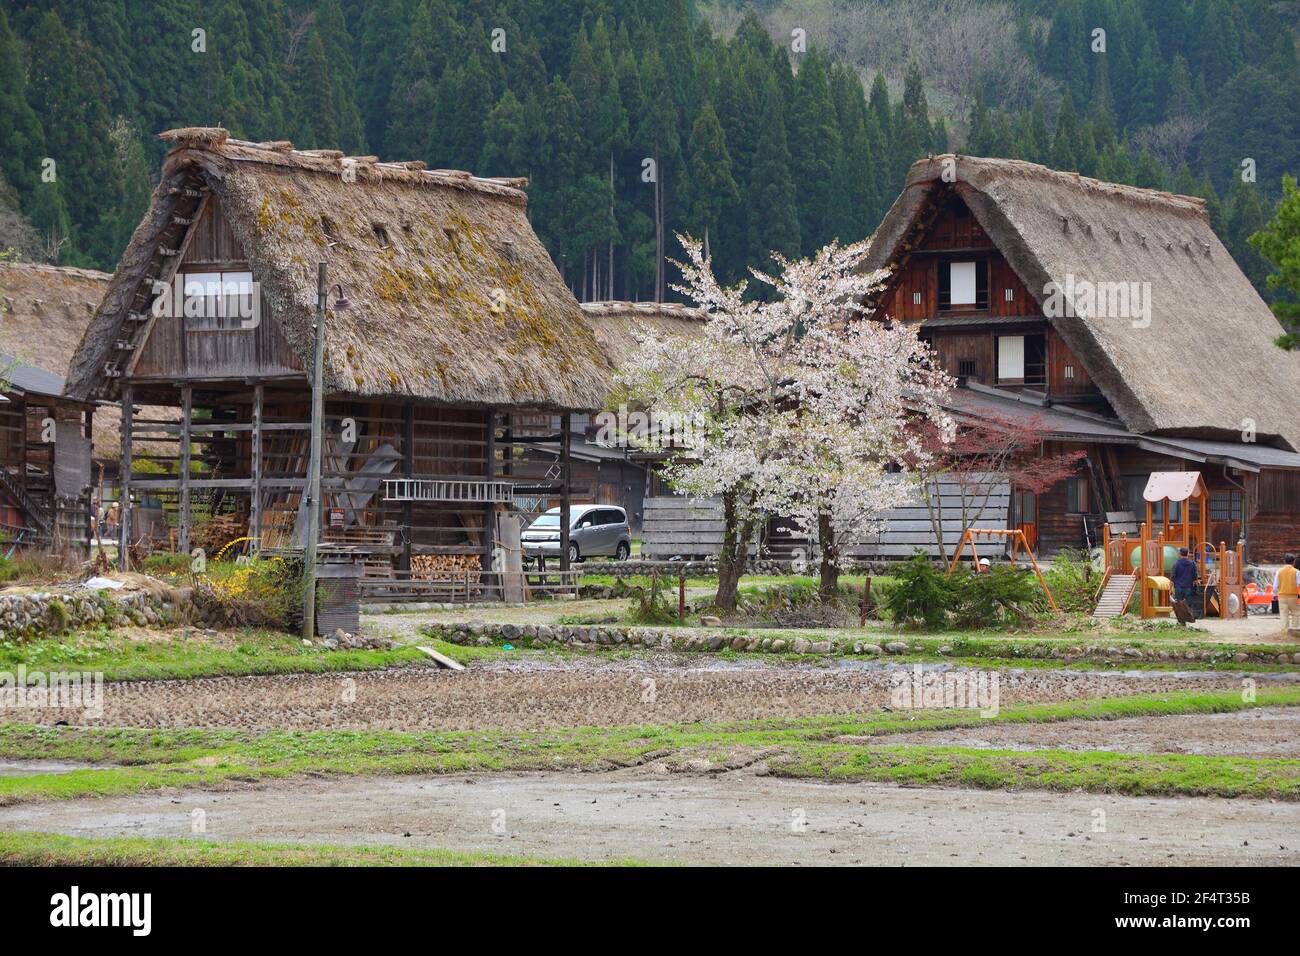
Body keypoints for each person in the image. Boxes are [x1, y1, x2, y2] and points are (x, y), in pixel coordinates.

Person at [1170, 546, 1198, 611]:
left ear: (1180, 554)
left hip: (1178, 588)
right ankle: (1189, 618)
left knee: (1179, 605)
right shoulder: (1192, 564)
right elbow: (1195, 577)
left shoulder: (1176, 564)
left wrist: (1170, 589)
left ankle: (1181, 619)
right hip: (1189, 587)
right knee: (1189, 605)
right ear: (1188, 553)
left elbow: (1172, 578)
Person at [1277, 554, 1300, 633]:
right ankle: (1295, 631)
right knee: (1296, 613)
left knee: (1283, 614)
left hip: (1282, 596)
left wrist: (1274, 594)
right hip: (1293, 596)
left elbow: (1275, 585)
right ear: (1294, 562)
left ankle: (1284, 632)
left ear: (1284, 561)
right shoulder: (1296, 572)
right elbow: (1299, 584)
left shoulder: (1279, 571)